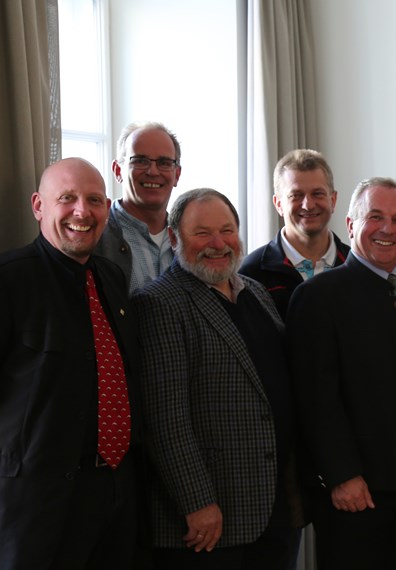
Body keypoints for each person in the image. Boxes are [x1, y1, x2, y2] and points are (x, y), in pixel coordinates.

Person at [286, 178, 396, 570]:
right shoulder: (318, 296)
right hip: (358, 488)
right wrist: (341, 475)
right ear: (350, 224)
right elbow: (315, 400)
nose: (388, 229)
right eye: (375, 217)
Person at [133, 189, 301, 569]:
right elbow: (165, 419)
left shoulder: (254, 291)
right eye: (202, 233)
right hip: (209, 517)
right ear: (174, 238)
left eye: (227, 230)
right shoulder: (160, 303)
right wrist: (197, 502)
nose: (218, 243)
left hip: (273, 505)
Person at [0, 158, 138, 568]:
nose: (82, 212)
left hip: (115, 493)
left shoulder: (112, 278)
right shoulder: (8, 281)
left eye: (94, 200)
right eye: (67, 199)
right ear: (39, 206)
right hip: (34, 504)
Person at [240, 148, 350, 317]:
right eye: (296, 195)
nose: (308, 205)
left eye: (318, 194)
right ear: (278, 204)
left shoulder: (356, 266)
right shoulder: (249, 274)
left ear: (333, 200)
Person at [96, 121, 183, 293]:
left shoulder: (188, 238)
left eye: (164, 163)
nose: (153, 171)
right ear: (117, 171)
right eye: (140, 161)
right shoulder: (95, 235)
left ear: (177, 175)